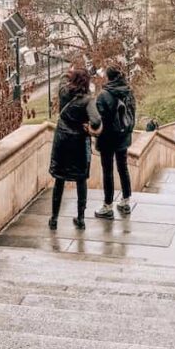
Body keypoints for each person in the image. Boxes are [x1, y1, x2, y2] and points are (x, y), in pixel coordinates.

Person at [49, 68, 101, 231]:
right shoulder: (87, 100)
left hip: (62, 140)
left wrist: (70, 71)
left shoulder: (64, 91)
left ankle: (54, 218)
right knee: (80, 180)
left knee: (59, 179)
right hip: (78, 143)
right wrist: (89, 127)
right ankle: (80, 218)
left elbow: (62, 78)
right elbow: (96, 119)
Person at [94, 65, 136, 218]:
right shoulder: (128, 92)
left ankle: (107, 205)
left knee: (107, 172)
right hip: (123, 136)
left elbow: (98, 120)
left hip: (107, 139)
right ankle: (125, 201)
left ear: (108, 77)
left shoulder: (103, 95)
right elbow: (132, 114)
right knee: (123, 168)